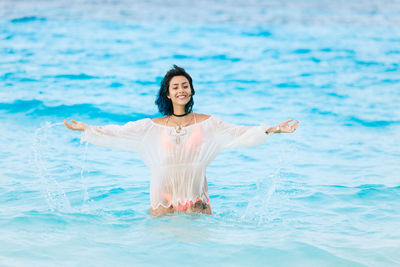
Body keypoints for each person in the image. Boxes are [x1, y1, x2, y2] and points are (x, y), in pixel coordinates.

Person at [64, 65, 299, 215]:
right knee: (160, 251)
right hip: (162, 196)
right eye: (175, 87)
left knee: (199, 251)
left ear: (192, 91)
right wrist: (89, 129)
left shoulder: (209, 123)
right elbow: (119, 133)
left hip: (195, 193)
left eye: (185, 86)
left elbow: (240, 133)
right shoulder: (150, 126)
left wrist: (275, 129)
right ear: (168, 93)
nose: (181, 90)